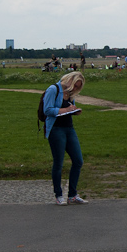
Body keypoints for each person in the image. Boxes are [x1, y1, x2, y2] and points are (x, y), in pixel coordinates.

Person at [43, 71, 87, 205]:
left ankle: (72, 194)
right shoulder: (53, 89)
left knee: (78, 161)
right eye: (75, 85)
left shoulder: (70, 94)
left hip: (69, 128)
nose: (75, 89)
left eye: (78, 87)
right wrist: (66, 110)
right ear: (69, 80)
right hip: (56, 129)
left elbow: (69, 108)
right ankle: (59, 194)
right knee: (59, 163)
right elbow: (48, 110)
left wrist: (74, 110)